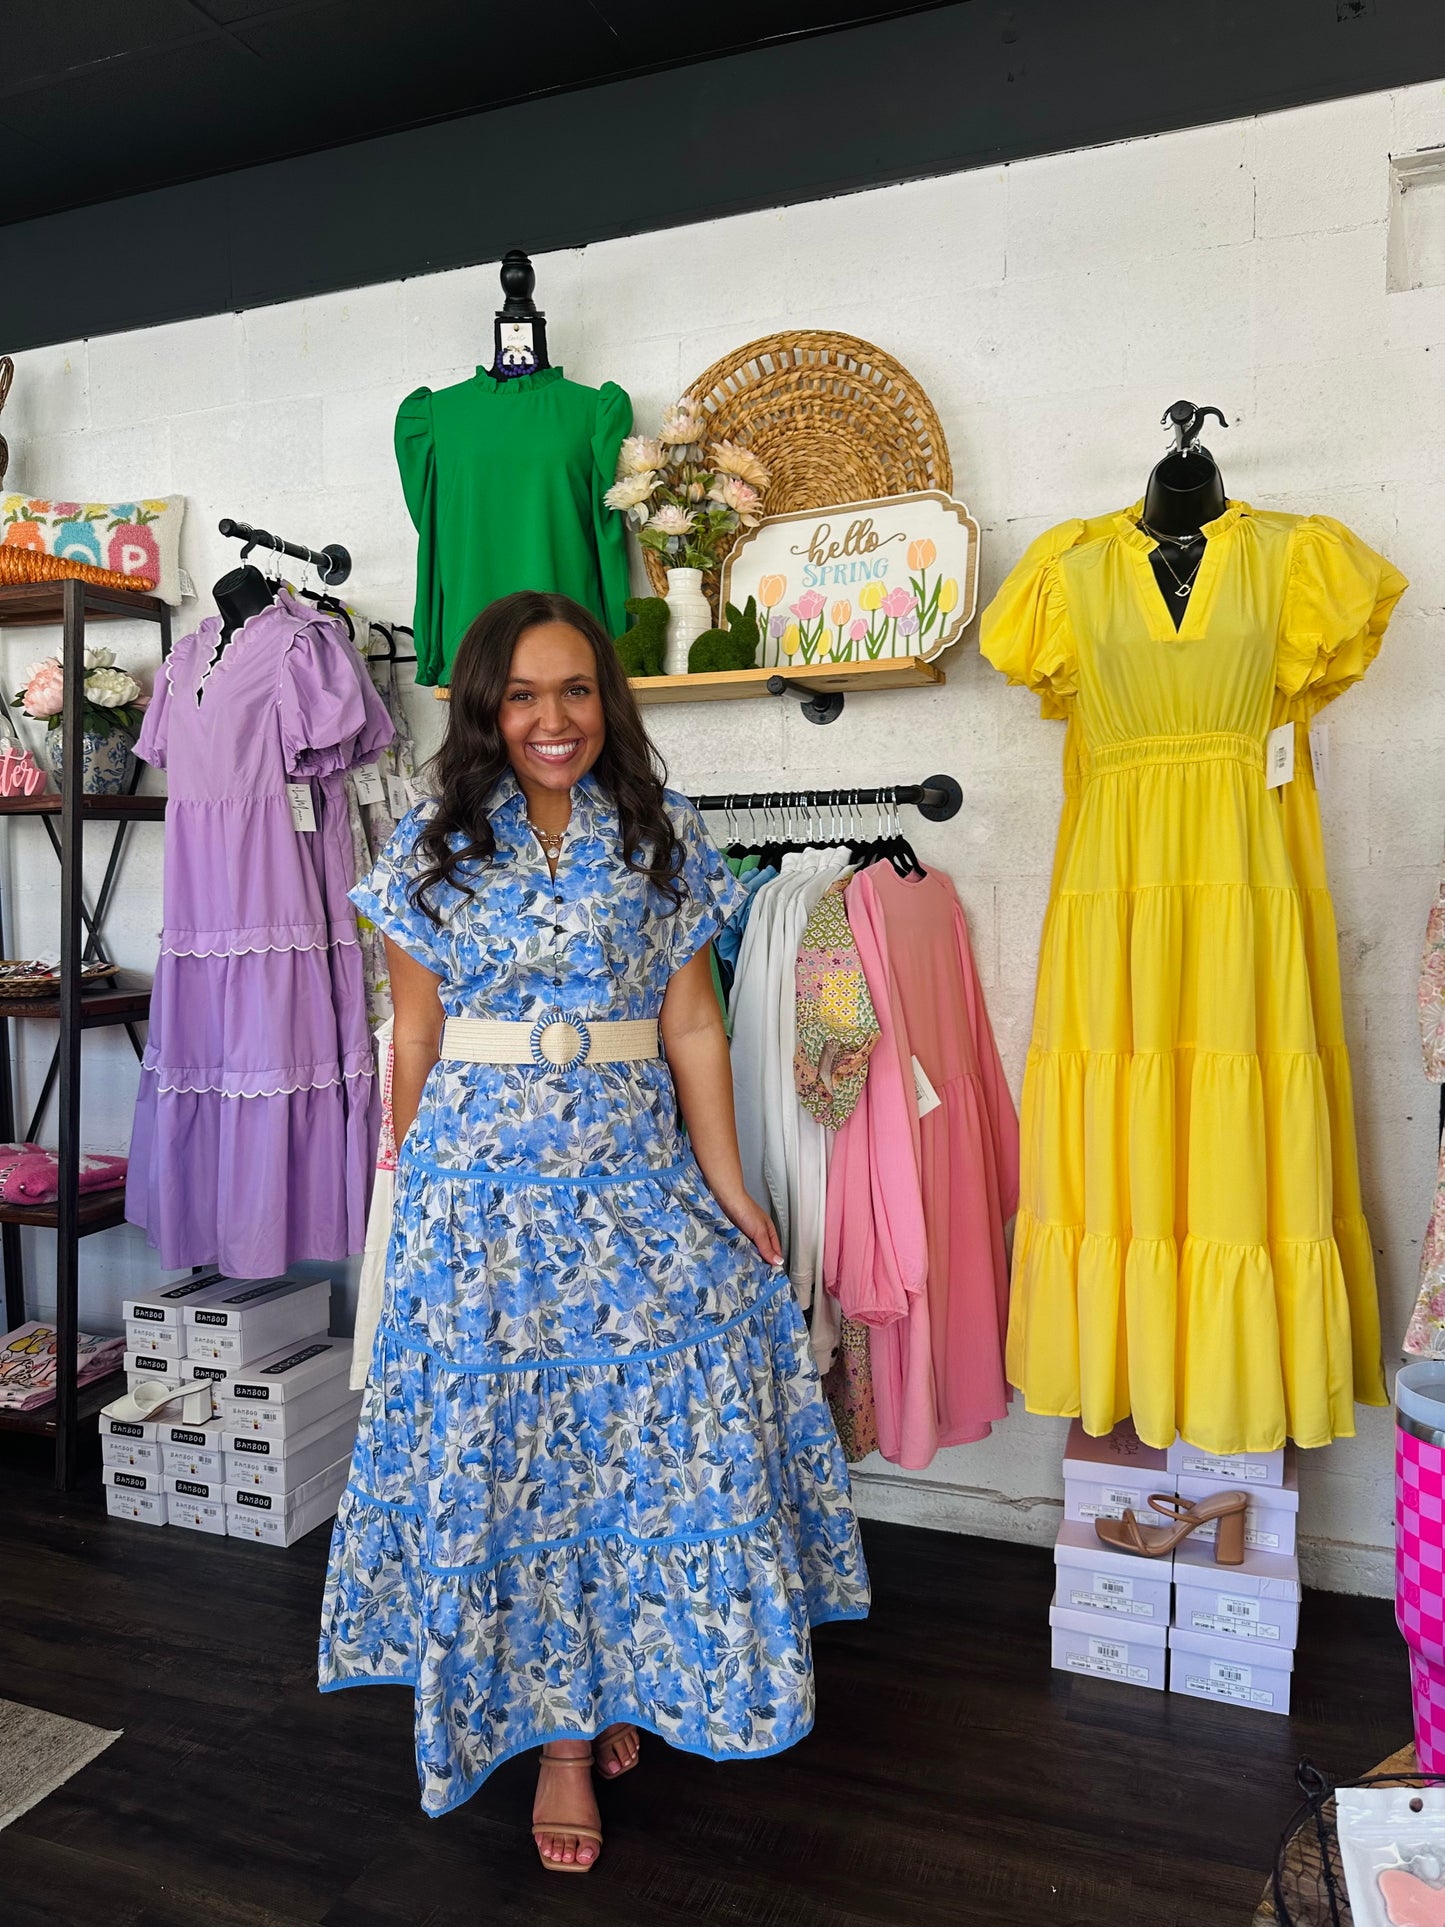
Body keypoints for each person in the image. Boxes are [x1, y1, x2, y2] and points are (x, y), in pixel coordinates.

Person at [318, 589, 870, 1872]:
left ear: (605, 702)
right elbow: (415, 1031)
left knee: (642, 1436)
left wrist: (729, 1185)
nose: (550, 719)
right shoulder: (430, 845)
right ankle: (559, 1740)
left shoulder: (659, 831)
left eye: (573, 691)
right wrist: (407, 1183)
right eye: (521, 695)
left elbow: (690, 1026)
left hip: (632, 1176)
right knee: (520, 1454)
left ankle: (611, 1677)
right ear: (484, 710)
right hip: (482, 1192)